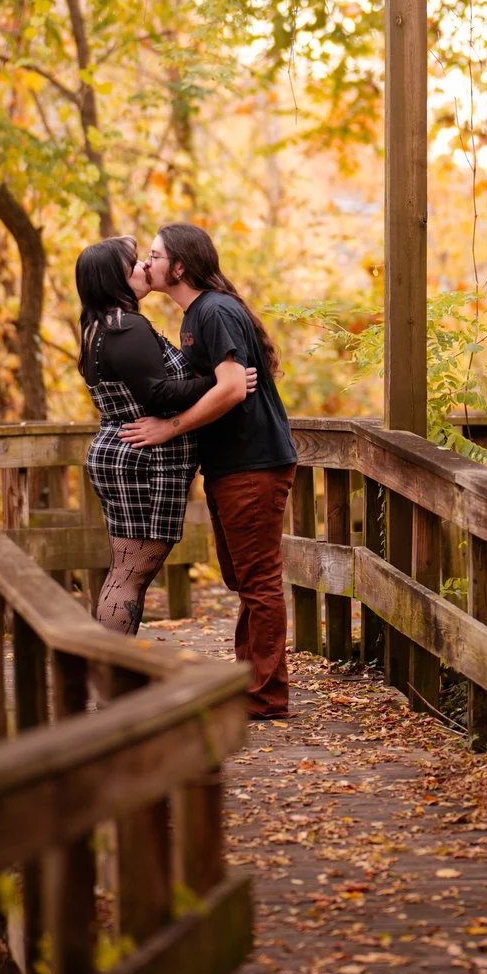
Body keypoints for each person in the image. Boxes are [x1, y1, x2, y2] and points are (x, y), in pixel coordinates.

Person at [122, 222, 298, 719]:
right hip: (231, 464)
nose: (146, 263)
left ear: (179, 266)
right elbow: (220, 384)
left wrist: (168, 428)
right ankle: (250, 684)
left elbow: (230, 389)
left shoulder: (213, 311)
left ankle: (264, 697)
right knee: (242, 577)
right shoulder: (198, 315)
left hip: (253, 462)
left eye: (154, 256)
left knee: (258, 580)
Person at [73, 237, 251, 635]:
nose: (143, 270)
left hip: (121, 453)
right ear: (113, 280)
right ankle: (115, 680)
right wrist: (216, 381)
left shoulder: (97, 330)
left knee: (124, 572)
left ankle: (112, 677)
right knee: (130, 577)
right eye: (132, 266)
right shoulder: (127, 327)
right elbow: (159, 394)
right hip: (145, 461)